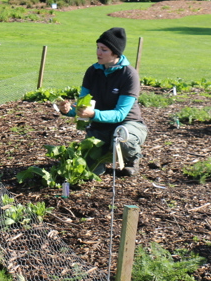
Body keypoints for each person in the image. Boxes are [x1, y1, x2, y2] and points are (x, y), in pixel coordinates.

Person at [57, 27, 148, 176]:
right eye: (98, 48)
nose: (98, 52)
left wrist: (92, 114)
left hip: (127, 124)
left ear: (115, 52)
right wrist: (67, 110)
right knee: (92, 171)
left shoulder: (129, 75)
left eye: (104, 49)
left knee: (122, 138)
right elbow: (82, 106)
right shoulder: (92, 71)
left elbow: (120, 114)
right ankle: (105, 155)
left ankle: (132, 160)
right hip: (100, 126)